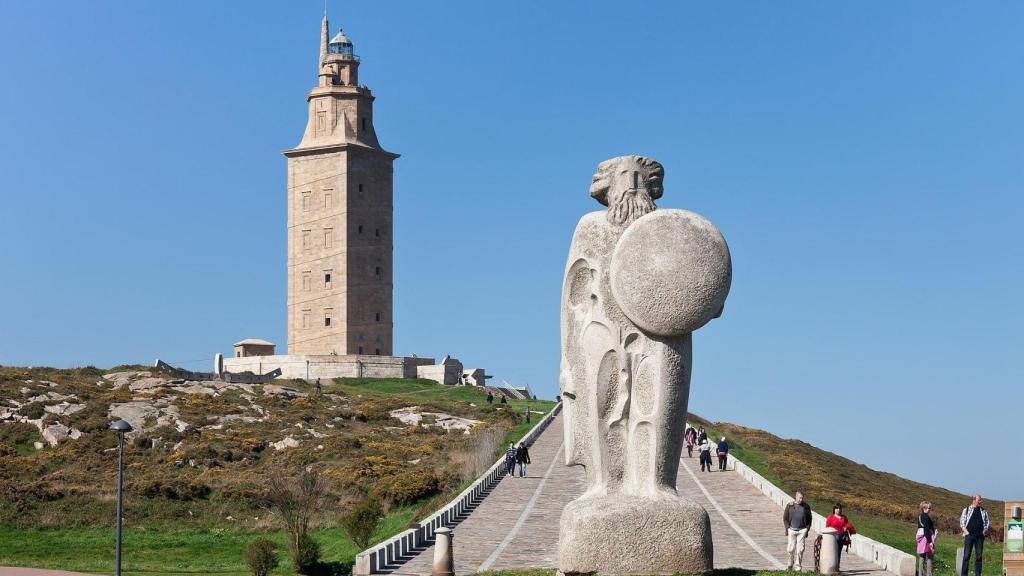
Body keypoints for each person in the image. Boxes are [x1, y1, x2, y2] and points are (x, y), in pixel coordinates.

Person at [960, 494, 990, 576]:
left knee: (979, 557)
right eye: (979, 500)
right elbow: (962, 522)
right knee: (966, 556)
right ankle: (964, 574)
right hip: (969, 536)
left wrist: (984, 531)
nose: (980, 501)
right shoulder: (966, 510)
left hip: (980, 537)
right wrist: (967, 533)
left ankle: (977, 574)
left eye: (980, 500)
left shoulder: (983, 511)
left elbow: (987, 522)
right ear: (974, 500)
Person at [784, 491, 813, 571]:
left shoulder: (806, 506)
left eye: (802, 498)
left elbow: (810, 518)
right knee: (790, 549)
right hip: (792, 530)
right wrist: (788, 528)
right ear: (796, 497)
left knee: (800, 549)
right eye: (800, 498)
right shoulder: (790, 505)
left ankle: (798, 566)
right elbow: (785, 518)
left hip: (802, 530)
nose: (801, 499)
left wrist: (807, 529)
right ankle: (790, 564)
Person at [825, 503, 856, 571]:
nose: (838, 510)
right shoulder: (831, 517)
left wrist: (846, 527)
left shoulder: (844, 517)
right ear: (834, 509)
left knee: (838, 552)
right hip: (832, 538)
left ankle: (837, 567)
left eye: (839, 508)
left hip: (841, 537)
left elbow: (847, 524)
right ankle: (830, 567)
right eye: (837, 508)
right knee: (832, 552)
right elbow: (827, 527)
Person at [917, 501, 937, 576]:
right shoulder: (926, 517)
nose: (930, 509)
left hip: (922, 539)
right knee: (930, 557)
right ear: (924, 508)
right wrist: (930, 542)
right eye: (929, 508)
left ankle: (920, 574)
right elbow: (926, 530)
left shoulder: (920, 516)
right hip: (927, 539)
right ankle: (929, 574)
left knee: (922, 556)